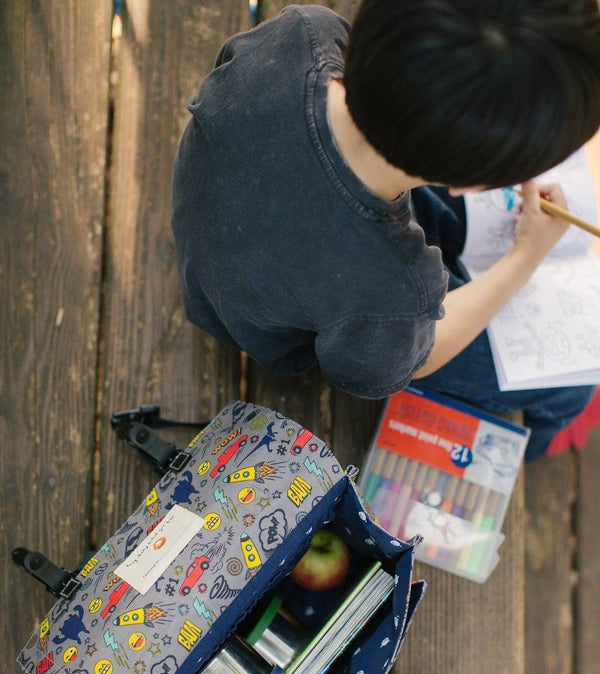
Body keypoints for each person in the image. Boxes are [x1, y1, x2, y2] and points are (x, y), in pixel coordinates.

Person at [171, 0, 600, 459]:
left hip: (222, 227)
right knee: (569, 389)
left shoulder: (305, 33)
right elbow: (406, 363)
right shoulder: (397, 288)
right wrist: (524, 258)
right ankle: (547, 436)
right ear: (471, 183)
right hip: (259, 321)